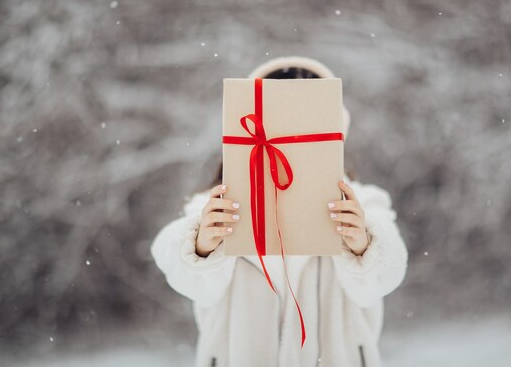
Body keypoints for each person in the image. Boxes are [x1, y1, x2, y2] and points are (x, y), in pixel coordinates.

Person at [150, 56, 408, 367]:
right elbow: (185, 274)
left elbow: (384, 277)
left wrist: (364, 246)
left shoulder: (364, 205)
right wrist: (201, 246)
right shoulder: (210, 210)